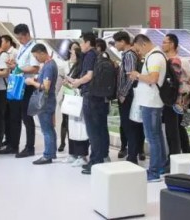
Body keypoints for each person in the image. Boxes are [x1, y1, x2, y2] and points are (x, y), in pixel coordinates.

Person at [68, 34, 109, 174]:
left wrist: (77, 82)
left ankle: (95, 161)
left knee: (93, 131)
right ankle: (101, 157)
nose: (80, 45)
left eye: (82, 42)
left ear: (87, 43)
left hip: (90, 96)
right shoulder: (99, 54)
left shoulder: (89, 55)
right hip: (99, 96)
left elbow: (89, 75)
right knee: (100, 129)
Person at [129, 34, 167, 182]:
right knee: (156, 135)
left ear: (143, 44)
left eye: (138, 50)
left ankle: (154, 172)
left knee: (153, 137)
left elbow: (153, 78)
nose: (139, 53)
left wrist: (137, 75)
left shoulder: (155, 57)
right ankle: (161, 166)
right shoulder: (153, 55)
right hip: (150, 101)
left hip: (151, 103)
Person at [6, 24, 40, 159]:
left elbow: (35, 68)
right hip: (19, 83)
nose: (19, 41)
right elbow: (21, 65)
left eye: (20, 38)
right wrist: (15, 65)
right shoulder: (22, 47)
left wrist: (20, 68)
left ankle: (30, 147)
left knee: (27, 116)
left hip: (28, 85)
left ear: (27, 35)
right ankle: (14, 145)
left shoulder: (33, 48)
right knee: (17, 115)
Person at [26, 44, 58, 165]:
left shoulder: (49, 66)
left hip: (45, 102)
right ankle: (51, 152)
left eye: (36, 56)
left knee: (46, 130)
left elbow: (46, 87)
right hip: (48, 101)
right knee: (49, 128)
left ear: (42, 53)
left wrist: (31, 82)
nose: (36, 59)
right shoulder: (50, 64)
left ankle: (48, 155)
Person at [115, 31, 144, 164]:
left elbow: (131, 77)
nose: (115, 45)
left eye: (116, 42)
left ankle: (132, 156)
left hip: (128, 96)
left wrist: (123, 94)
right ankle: (132, 153)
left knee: (130, 125)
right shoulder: (127, 55)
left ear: (122, 42)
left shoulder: (129, 55)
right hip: (128, 95)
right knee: (129, 125)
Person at [162, 33, 190, 161]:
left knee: (173, 130)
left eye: (165, 42)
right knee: (180, 128)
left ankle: (174, 157)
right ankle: (186, 154)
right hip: (180, 100)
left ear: (172, 44)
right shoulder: (176, 60)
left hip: (175, 100)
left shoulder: (175, 61)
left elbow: (175, 83)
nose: (162, 45)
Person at [62, 42, 89, 166]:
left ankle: (82, 155)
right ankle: (72, 153)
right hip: (71, 100)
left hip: (79, 101)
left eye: (73, 54)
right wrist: (68, 83)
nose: (71, 55)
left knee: (80, 130)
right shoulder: (74, 67)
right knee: (71, 129)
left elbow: (80, 84)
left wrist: (72, 83)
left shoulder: (83, 69)